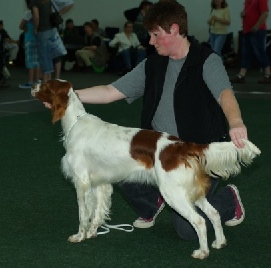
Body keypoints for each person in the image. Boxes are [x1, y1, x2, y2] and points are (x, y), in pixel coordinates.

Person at [69, 0, 248, 240]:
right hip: (156, 151)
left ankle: (228, 199)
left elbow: (225, 95)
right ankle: (151, 203)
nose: (151, 41)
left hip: (192, 154)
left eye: (155, 34)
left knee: (186, 231)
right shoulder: (152, 63)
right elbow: (110, 92)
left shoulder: (206, 60)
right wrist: (68, 94)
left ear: (174, 30)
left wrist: (236, 122)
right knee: (115, 158)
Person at [230, 0, 271, 84]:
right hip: (247, 30)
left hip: (257, 31)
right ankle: (241, 75)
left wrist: (257, 26)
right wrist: (243, 14)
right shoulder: (247, 1)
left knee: (259, 52)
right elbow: (248, 12)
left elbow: (264, 14)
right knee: (246, 53)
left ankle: (268, 74)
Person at [30, 0, 66, 83]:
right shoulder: (48, 1)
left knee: (43, 57)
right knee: (49, 56)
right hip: (51, 30)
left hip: (42, 30)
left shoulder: (35, 2)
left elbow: (36, 16)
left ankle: (46, 82)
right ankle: (49, 79)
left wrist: (35, 28)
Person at [18, 0, 40, 89]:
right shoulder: (39, 12)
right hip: (38, 39)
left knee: (30, 61)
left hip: (29, 39)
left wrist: (24, 28)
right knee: (37, 61)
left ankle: (31, 82)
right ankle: (37, 80)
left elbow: (21, 25)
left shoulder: (28, 13)